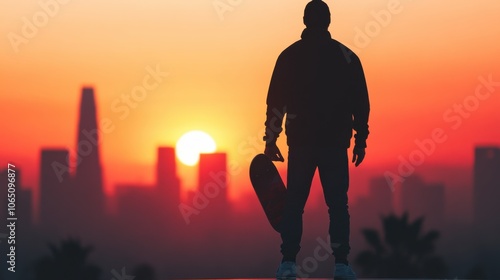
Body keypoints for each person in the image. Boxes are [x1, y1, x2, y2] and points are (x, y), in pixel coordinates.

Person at [262, 0, 370, 279]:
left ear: (305, 21)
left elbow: (276, 102)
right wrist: (361, 139)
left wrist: (271, 139)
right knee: (337, 204)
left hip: (301, 141)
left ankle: (288, 263)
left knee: (294, 203)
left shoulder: (290, 56)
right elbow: (361, 102)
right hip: (334, 142)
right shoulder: (346, 56)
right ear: (328, 22)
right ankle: (342, 265)